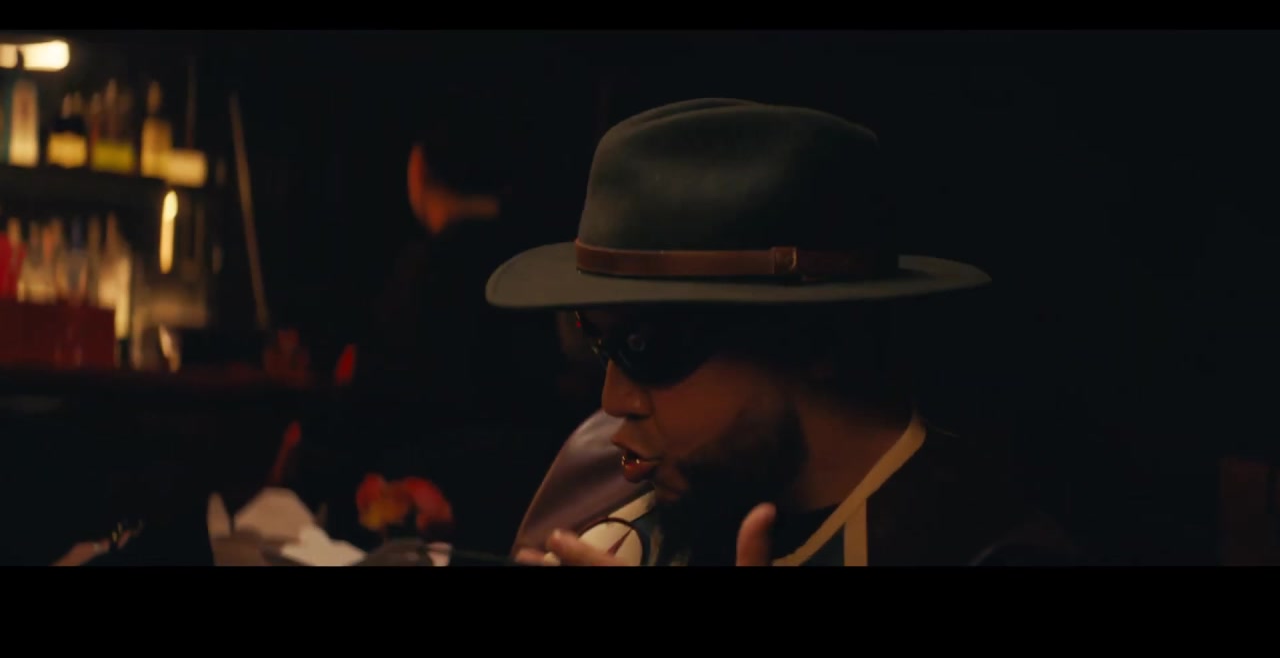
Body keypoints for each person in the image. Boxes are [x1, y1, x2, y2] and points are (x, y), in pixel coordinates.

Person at [489, 97, 1081, 566]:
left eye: (644, 346)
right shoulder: (606, 488)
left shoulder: (982, 546)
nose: (614, 400)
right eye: (596, 341)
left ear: (817, 336)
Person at [294, 108, 568, 555]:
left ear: (418, 170)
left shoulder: (424, 272)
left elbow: (378, 399)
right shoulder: (537, 266)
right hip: (528, 514)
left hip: (427, 519)